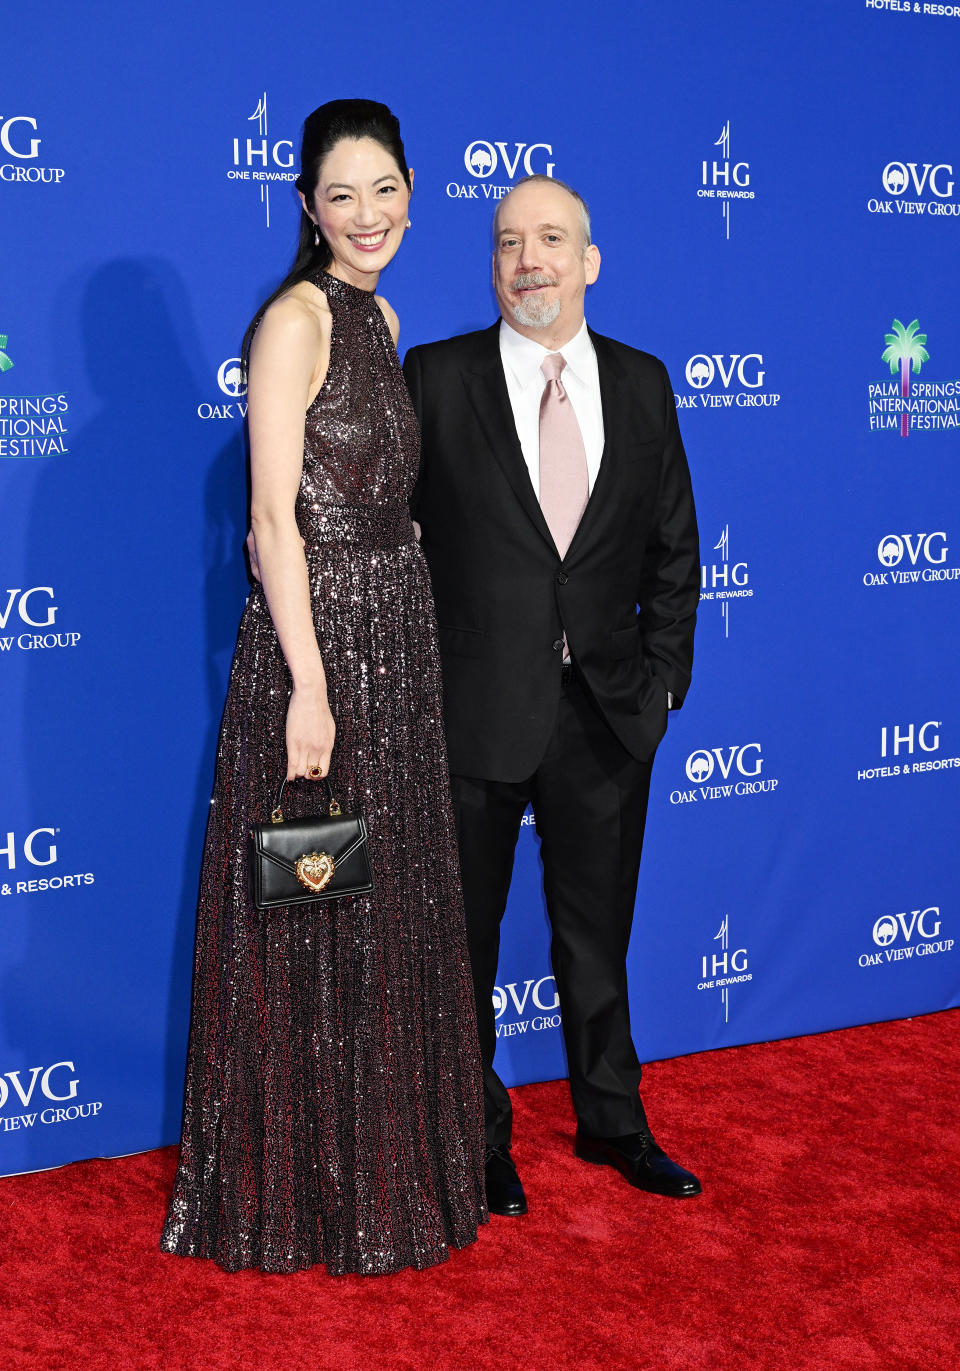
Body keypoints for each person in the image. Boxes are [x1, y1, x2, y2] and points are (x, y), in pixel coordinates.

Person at [161, 99, 486, 1275]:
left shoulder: (384, 315)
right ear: (306, 207)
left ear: (413, 191)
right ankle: (307, 1190)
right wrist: (309, 684)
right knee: (311, 908)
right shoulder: (292, 322)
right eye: (340, 195)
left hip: (398, 637)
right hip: (320, 651)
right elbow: (269, 521)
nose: (366, 215)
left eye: (384, 189)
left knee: (379, 914)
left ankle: (385, 1170)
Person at [402, 175, 701, 1216]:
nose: (528, 259)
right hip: (473, 710)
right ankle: (477, 1142)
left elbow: (674, 550)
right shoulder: (435, 378)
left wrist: (661, 687)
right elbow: (393, 544)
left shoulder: (645, 381)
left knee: (595, 940)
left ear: (590, 259)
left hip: (609, 713)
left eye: (551, 239)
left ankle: (614, 1122)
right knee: (464, 946)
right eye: (507, 242)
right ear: (491, 262)